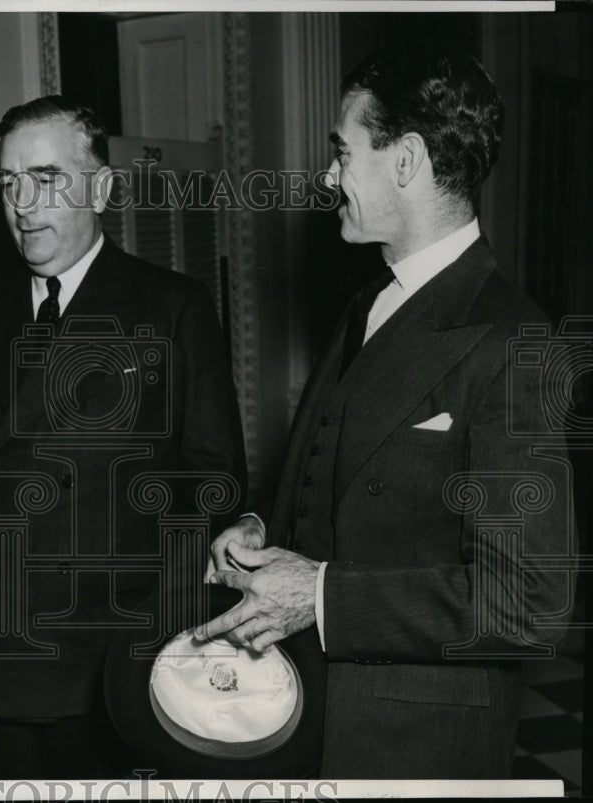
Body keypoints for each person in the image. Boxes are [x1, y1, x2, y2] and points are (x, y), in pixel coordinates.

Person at [199, 46, 574, 778]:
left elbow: (529, 603)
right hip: (311, 715)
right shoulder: (369, 301)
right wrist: (263, 527)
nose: (328, 175)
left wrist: (320, 595)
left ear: (405, 160)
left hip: (416, 745)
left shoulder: (513, 341)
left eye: (343, 152)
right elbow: (334, 471)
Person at [0, 95, 248, 778]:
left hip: (112, 656)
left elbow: (212, 481)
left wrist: (167, 631)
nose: (22, 205)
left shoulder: (172, 306)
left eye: (45, 179)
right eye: (10, 183)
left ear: (101, 189)